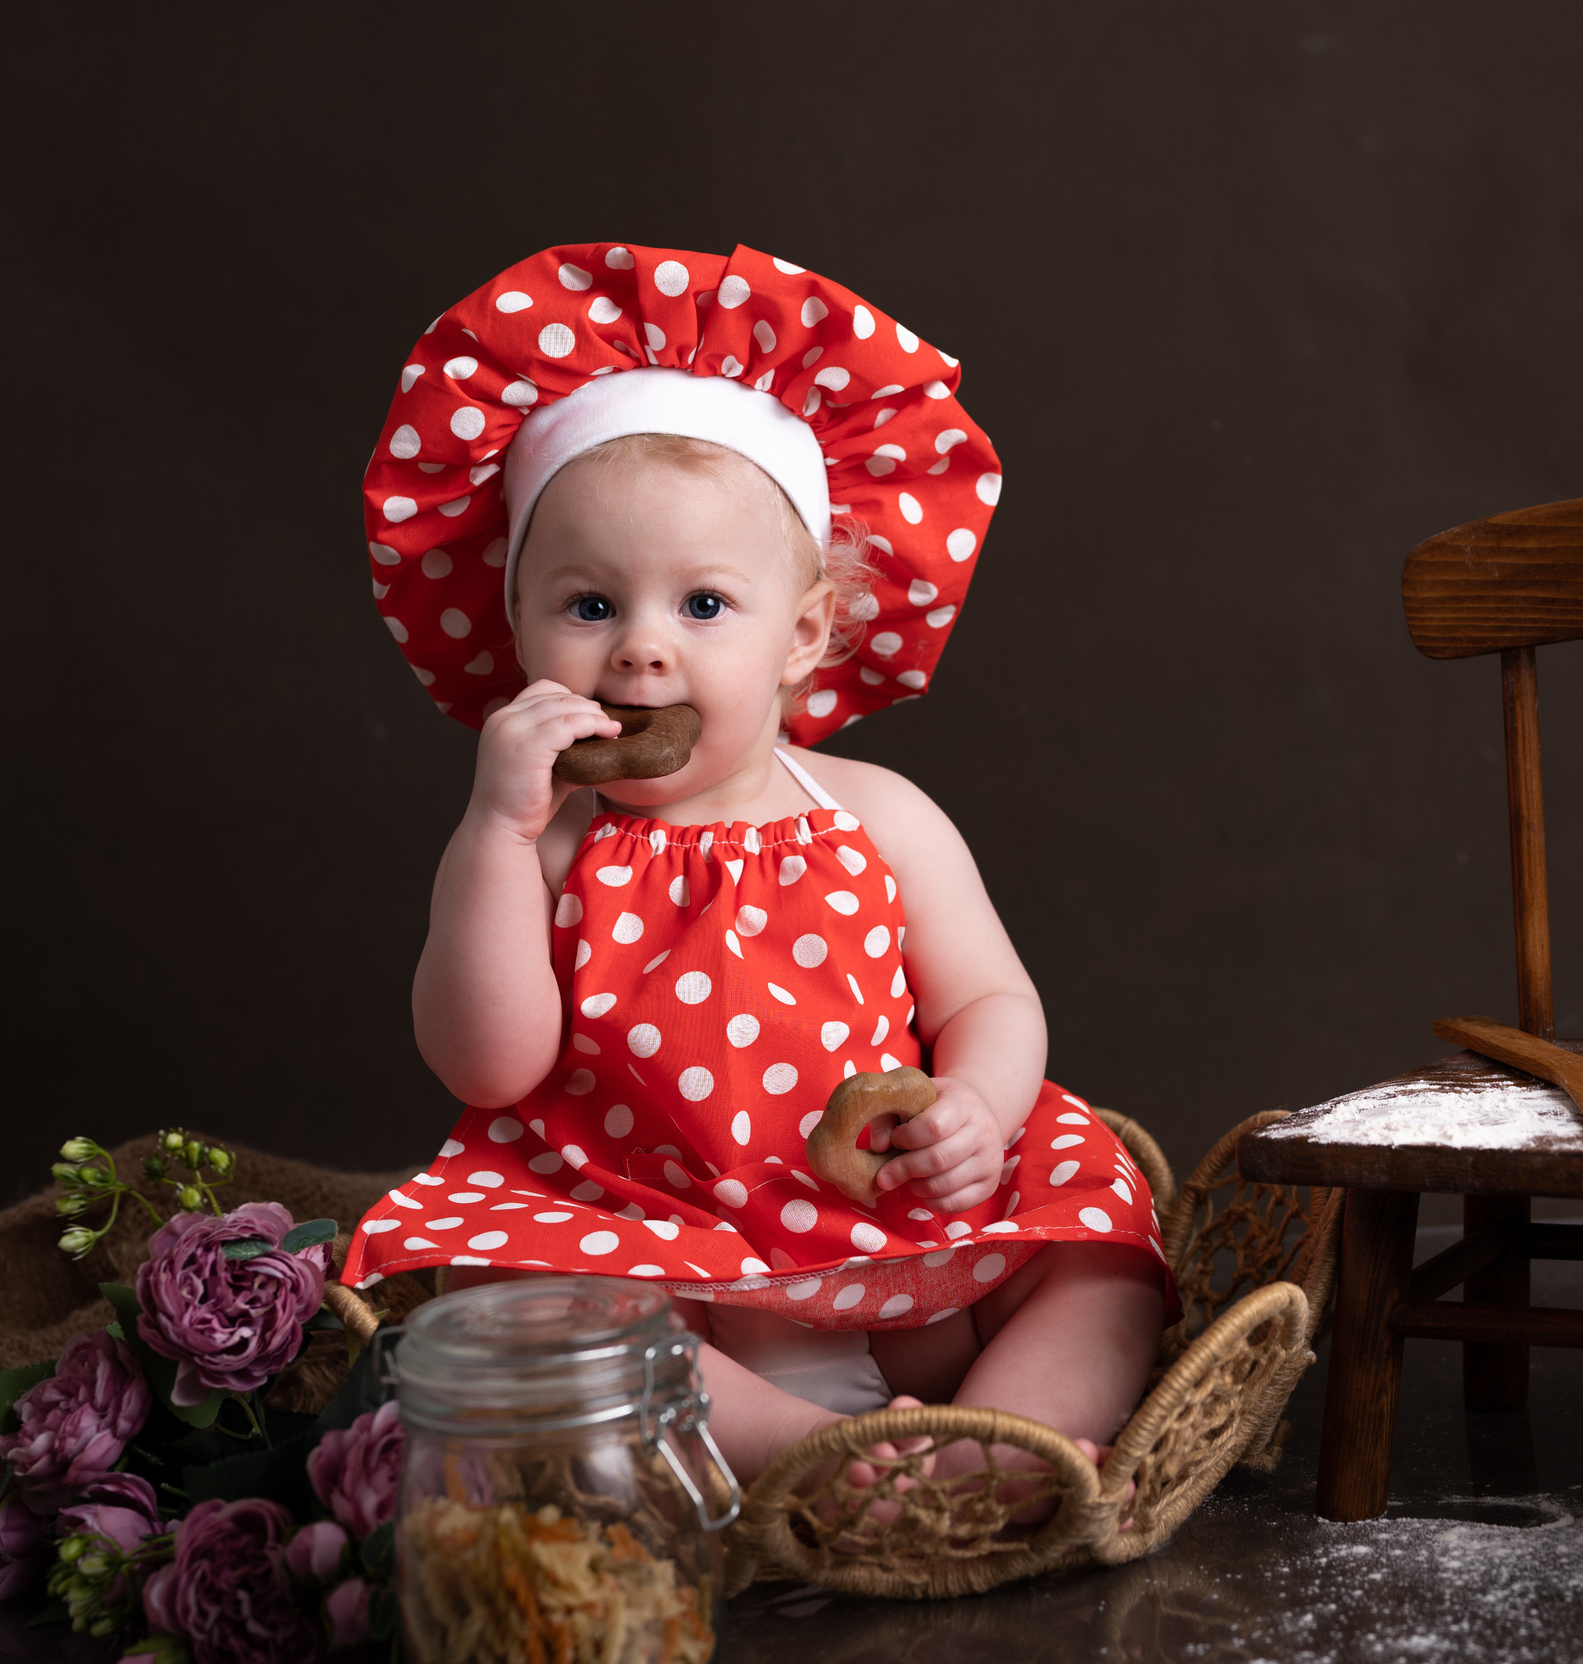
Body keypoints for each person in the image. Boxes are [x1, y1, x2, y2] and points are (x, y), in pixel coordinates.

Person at [341, 243, 1173, 1492]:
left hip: (904, 1242)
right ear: (513, 624)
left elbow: (990, 1002)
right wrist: (495, 835)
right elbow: (487, 1064)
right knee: (512, 1288)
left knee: (1104, 1244)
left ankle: (1004, 1443)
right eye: (587, 606)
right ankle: (817, 1461)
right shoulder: (546, 839)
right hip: (651, 1254)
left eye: (705, 606)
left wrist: (977, 1112)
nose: (641, 654)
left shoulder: (875, 813)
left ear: (806, 634)